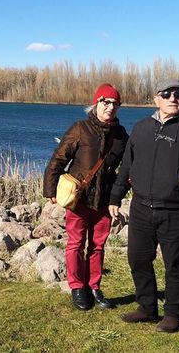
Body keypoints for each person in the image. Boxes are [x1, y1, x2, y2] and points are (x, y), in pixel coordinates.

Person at [108, 79, 179, 333]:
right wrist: (116, 197)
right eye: (166, 94)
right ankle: (147, 308)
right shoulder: (141, 128)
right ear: (156, 99)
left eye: (178, 94)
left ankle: (173, 314)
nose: (173, 98)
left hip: (177, 210)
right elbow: (127, 166)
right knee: (137, 259)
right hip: (140, 207)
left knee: (176, 264)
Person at [43, 83, 128, 311]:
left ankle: (94, 287)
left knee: (98, 245)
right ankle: (77, 287)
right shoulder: (80, 129)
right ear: (96, 103)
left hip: (104, 200)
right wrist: (50, 190)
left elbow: (129, 169)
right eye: (105, 102)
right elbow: (58, 159)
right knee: (76, 244)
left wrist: (118, 195)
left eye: (115, 104)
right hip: (79, 199)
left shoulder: (121, 135)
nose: (110, 107)